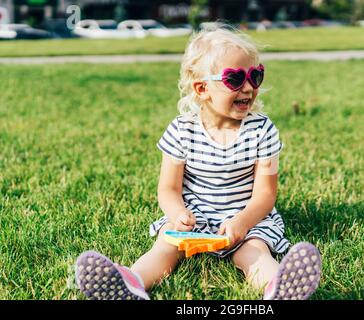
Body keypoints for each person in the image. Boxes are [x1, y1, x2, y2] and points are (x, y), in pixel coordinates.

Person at [74, 25, 322, 301]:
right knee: (164, 249)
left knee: (254, 253)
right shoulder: (182, 130)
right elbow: (168, 188)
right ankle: (129, 284)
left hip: (246, 216)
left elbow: (265, 193)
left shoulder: (262, 130)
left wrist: (242, 221)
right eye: (235, 78)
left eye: (256, 75)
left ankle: (279, 288)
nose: (249, 87)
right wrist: (178, 214)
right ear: (202, 88)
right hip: (195, 218)